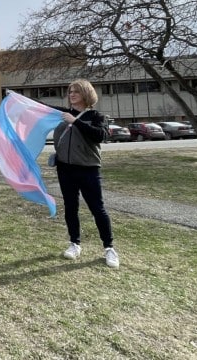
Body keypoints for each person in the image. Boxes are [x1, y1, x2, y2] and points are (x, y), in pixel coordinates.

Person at [50, 79, 119, 269]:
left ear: (86, 94)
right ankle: (75, 244)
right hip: (65, 169)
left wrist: (76, 122)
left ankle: (109, 248)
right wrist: (17, 98)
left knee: (97, 208)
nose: (72, 95)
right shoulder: (64, 115)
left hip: (88, 169)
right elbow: (43, 108)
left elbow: (101, 135)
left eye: (76, 92)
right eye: (70, 92)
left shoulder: (96, 116)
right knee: (71, 207)